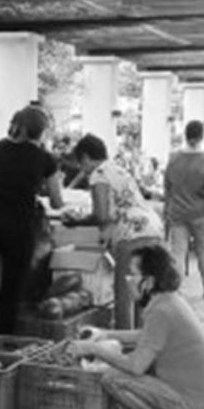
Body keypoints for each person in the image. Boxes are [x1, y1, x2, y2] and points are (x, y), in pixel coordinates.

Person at [68, 244, 204, 409]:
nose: (128, 280)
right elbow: (147, 336)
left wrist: (94, 349)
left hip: (190, 406)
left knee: (113, 379)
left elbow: (136, 366)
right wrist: (106, 334)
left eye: (133, 275)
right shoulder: (168, 301)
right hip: (197, 401)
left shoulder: (161, 311)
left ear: (148, 282)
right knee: (125, 372)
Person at [0, 104, 64, 334]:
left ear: (19, 127)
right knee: (11, 286)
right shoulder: (46, 159)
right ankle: (5, 337)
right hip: (19, 225)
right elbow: (57, 201)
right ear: (42, 131)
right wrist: (36, 186)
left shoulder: (0, 148)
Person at [67, 134, 163, 329]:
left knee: (124, 295)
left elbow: (101, 215)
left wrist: (78, 220)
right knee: (143, 294)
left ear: (85, 157)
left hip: (132, 233)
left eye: (81, 163)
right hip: (153, 228)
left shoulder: (98, 174)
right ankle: (143, 340)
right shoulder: (118, 169)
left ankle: (124, 345)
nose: (82, 170)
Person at [164, 120, 204, 298]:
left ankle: (176, 289)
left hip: (178, 212)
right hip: (200, 213)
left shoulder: (173, 159)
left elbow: (167, 188)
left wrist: (167, 208)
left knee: (178, 252)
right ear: (203, 136)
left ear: (185, 135)